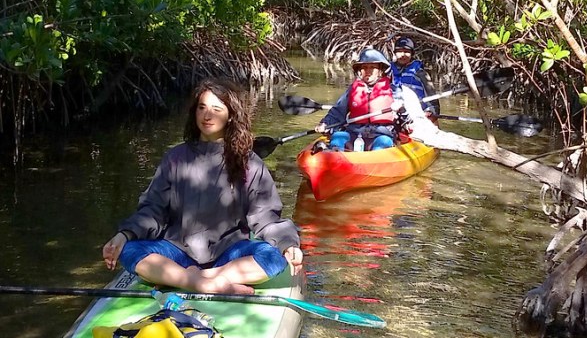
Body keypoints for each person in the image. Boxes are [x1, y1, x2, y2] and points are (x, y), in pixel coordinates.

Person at [102, 77, 303, 295]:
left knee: (273, 258)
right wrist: (125, 235)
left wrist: (288, 244)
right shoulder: (175, 157)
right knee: (129, 251)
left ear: (230, 116)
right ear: (194, 112)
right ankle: (205, 285)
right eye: (202, 108)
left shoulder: (250, 163)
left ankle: (187, 279)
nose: (208, 116)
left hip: (228, 254)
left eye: (217, 109)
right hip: (177, 251)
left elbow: (266, 218)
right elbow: (153, 210)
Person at [313, 48, 416, 152]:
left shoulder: (394, 90)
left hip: (381, 134)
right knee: (338, 136)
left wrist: (401, 110)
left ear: (381, 70)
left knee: (383, 142)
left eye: (372, 67)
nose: (368, 71)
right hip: (354, 133)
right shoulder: (353, 89)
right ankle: (333, 154)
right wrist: (326, 124)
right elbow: (337, 112)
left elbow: (407, 121)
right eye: (364, 67)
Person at [390, 37, 441, 117]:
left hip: (417, 114)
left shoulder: (420, 73)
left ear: (412, 54)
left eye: (407, 52)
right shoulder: (387, 71)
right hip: (394, 112)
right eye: (399, 51)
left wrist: (433, 113)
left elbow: (433, 97)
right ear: (395, 53)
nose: (403, 55)